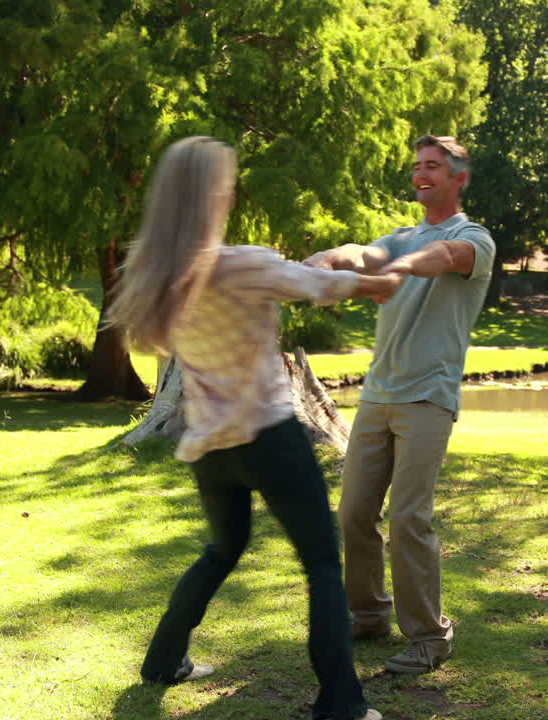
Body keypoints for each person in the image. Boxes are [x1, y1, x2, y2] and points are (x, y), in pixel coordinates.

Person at [107, 136, 395, 720]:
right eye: (227, 182)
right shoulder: (244, 262)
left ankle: (164, 661)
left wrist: (317, 265)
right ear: (212, 194)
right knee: (321, 563)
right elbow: (328, 287)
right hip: (269, 437)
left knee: (221, 548)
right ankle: (342, 705)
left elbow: (296, 277)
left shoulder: (164, 276)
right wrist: (384, 275)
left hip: (210, 446)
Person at [304, 134, 495, 674]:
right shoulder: (399, 236)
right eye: (416, 166)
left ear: (459, 177)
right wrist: (322, 259)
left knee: (410, 517)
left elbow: (445, 258)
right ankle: (368, 616)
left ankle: (431, 638)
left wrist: (402, 270)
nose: (421, 173)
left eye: (433, 166)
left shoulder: (472, 235)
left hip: (428, 395)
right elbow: (362, 254)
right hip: (378, 395)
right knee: (354, 513)